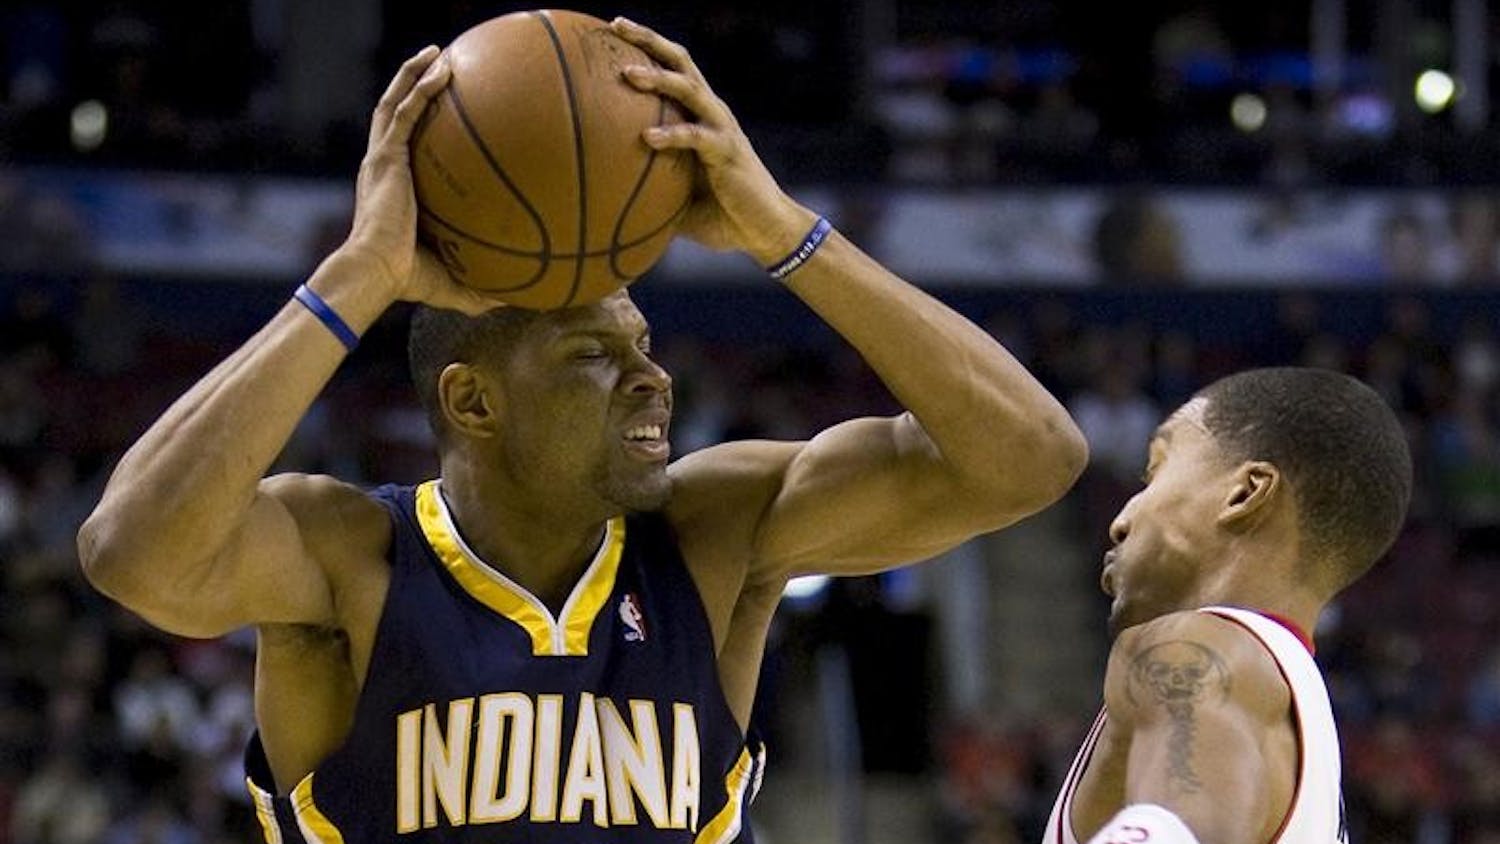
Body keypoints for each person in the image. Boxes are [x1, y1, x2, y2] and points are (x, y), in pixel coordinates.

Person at [77, 17, 1088, 844]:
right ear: (474, 402)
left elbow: (1030, 457)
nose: (652, 378)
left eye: (644, 341)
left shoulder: (712, 533)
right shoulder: (350, 561)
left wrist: (787, 234)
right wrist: (359, 274)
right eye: (590, 354)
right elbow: (131, 550)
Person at [1044, 367, 1412, 844]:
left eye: (1155, 472)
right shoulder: (1295, 718)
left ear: (1245, 493)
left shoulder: (1196, 648)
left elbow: (1187, 833)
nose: (1121, 519)